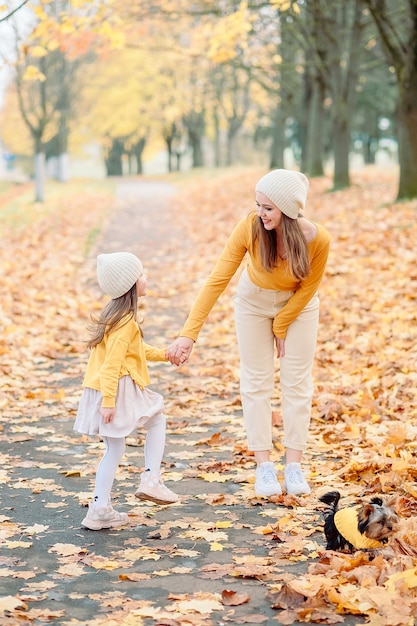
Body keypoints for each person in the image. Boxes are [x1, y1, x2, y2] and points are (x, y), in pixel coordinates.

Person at [167, 169, 330, 497]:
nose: (260, 213)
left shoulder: (318, 239)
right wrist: (189, 334)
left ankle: (294, 466)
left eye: (267, 208)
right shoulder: (250, 228)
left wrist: (283, 322)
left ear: (287, 208)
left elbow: (309, 288)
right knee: (257, 381)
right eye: (258, 204)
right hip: (253, 303)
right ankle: (264, 467)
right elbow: (217, 279)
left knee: (297, 382)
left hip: (299, 306)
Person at [74, 251, 180, 531]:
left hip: (106, 388)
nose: (146, 278)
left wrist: (164, 354)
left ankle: (99, 509)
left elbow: (135, 351)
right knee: (157, 418)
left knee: (115, 448)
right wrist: (109, 402)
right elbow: (112, 364)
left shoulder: (116, 316)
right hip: (115, 388)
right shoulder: (125, 322)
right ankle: (151, 478)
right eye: (142, 274)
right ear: (131, 285)